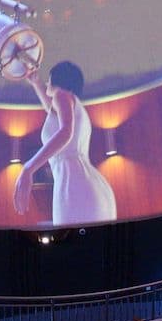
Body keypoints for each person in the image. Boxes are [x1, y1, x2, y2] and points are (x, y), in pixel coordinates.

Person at [13, 60, 117, 225]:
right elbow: (51, 110)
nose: (47, 83)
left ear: (57, 79)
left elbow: (66, 131)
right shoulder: (71, 103)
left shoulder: (61, 95)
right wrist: (36, 82)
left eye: (49, 79)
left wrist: (28, 168)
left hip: (74, 183)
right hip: (85, 182)